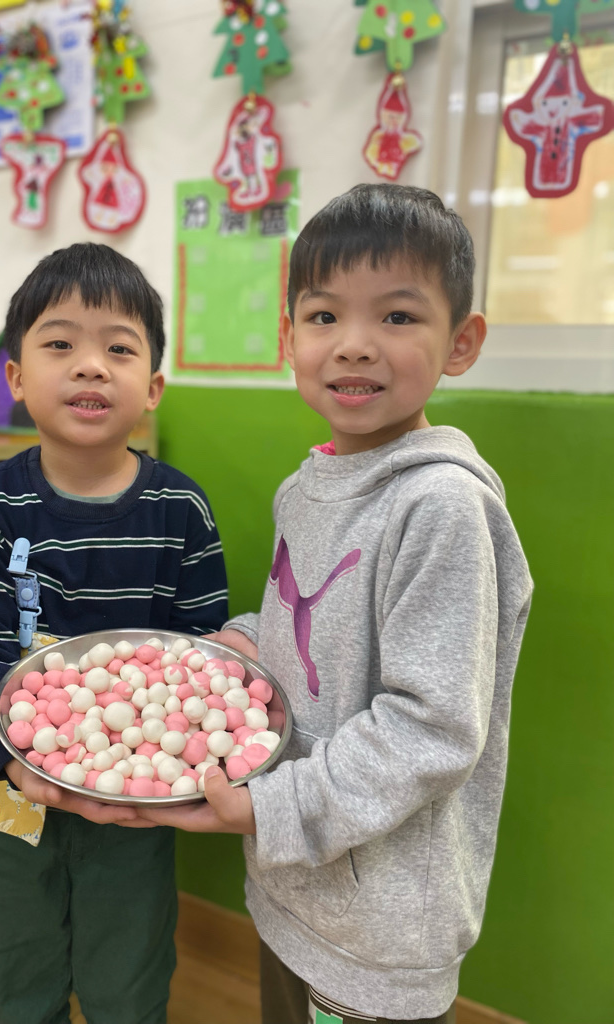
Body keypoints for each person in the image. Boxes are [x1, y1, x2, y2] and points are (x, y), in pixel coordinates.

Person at [136, 184, 533, 1024]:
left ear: (461, 342)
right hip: (297, 886)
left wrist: (274, 807)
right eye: (323, 316)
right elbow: (312, 629)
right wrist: (243, 641)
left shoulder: (442, 508)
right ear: (290, 339)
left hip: (378, 926)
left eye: (397, 316)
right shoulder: (306, 487)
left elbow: (431, 729)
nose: (354, 344)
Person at [0, 242, 228, 1024]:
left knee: (127, 981)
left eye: (119, 349)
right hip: (13, 790)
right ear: (16, 377)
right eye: (60, 343)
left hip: (138, 797)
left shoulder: (179, 510)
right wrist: (9, 757)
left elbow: (201, 649)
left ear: (153, 386)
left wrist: (171, 762)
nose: (91, 366)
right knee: (20, 977)